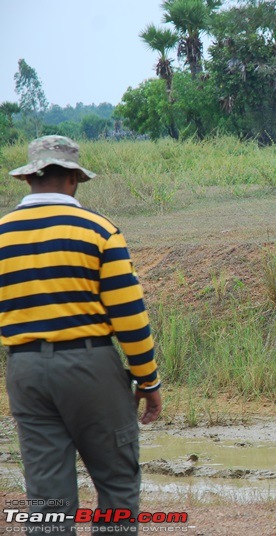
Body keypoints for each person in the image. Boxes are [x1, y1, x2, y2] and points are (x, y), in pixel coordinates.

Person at [1, 135, 162, 534]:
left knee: (48, 497)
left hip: (26, 371)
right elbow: (129, 315)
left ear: (28, 179)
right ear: (74, 178)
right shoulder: (99, 231)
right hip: (90, 367)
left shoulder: (2, 234)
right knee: (117, 482)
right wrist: (148, 378)